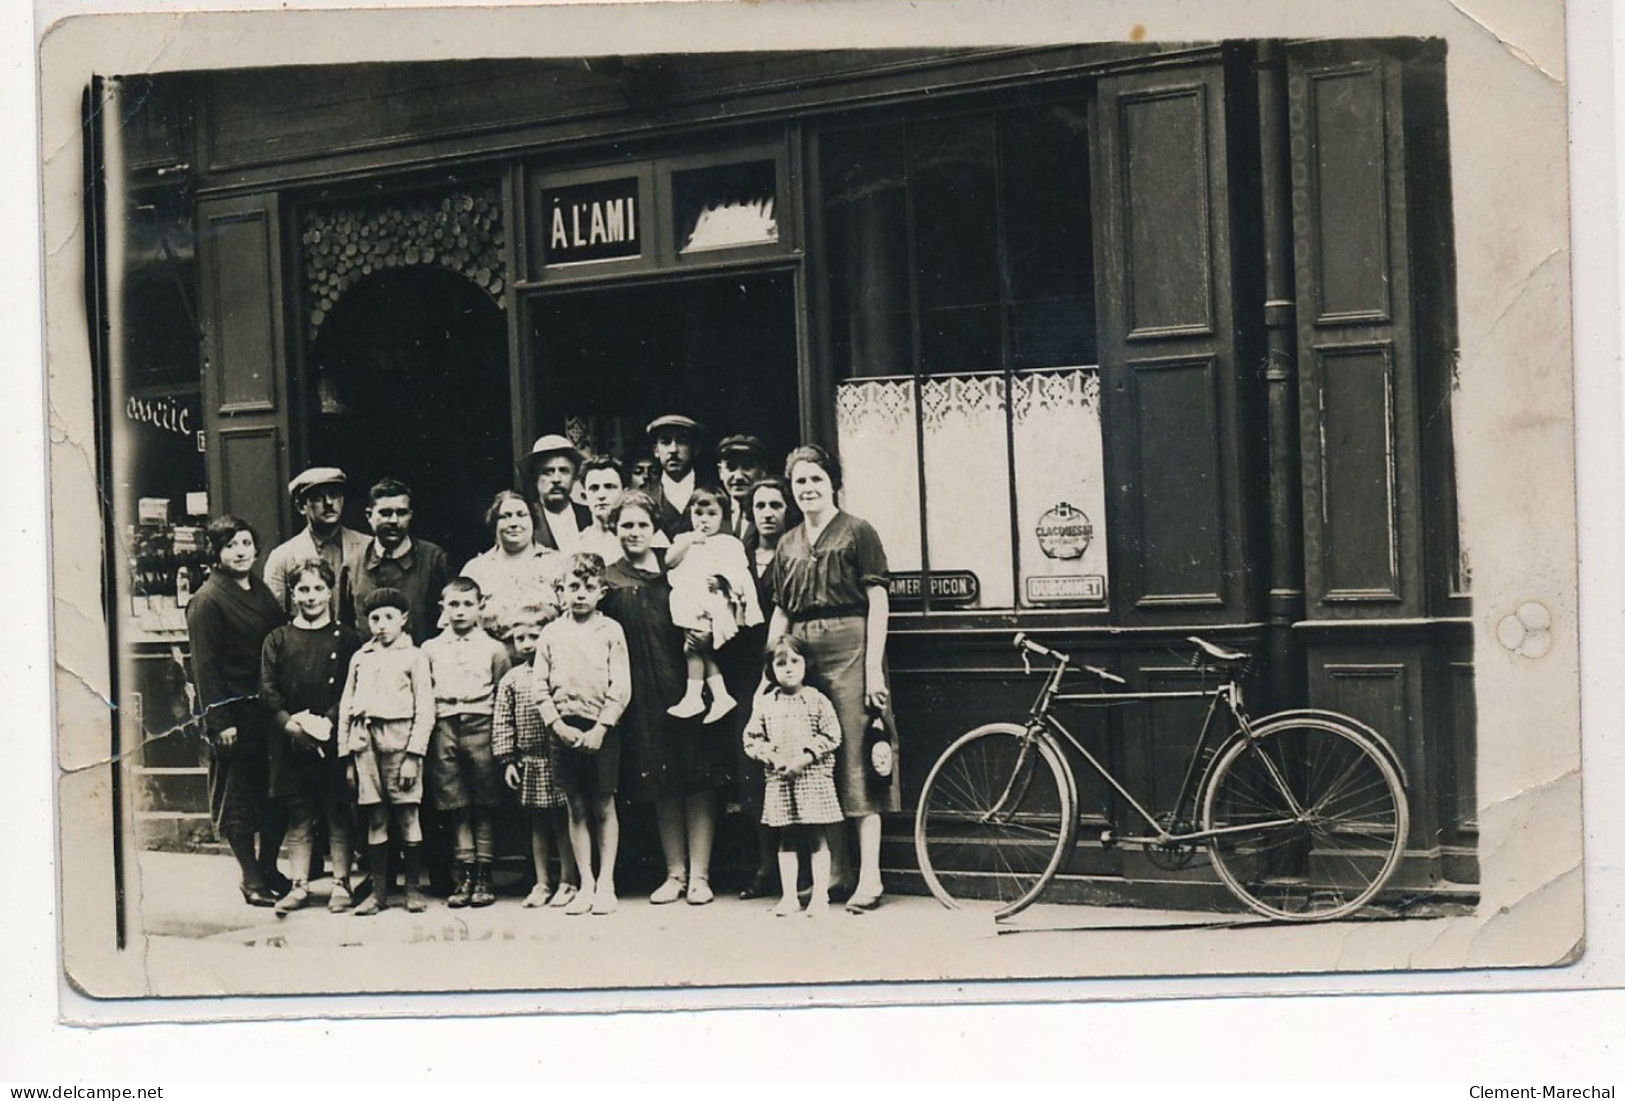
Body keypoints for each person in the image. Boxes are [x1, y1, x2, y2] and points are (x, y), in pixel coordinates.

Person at [766, 445, 901, 913]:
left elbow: (878, 602)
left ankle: (870, 877)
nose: (808, 488)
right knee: (816, 759)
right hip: (801, 652)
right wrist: (771, 667)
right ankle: (836, 874)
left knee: (859, 758)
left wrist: (872, 667)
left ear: (833, 483)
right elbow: (781, 608)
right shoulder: (788, 543)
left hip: (851, 646)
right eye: (799, 482)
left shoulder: (858, 532)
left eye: (816, 480)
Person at [601, 491, 728, 906]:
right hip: (641, 693)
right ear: (613, 529)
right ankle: (675, 872)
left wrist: (709, 631)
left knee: (697, 778)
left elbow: (712, 604)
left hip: (684, 683)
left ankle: (701, 876)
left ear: (654, 527)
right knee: (663, 781)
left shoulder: (677, 565)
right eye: (625, 525)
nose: (633, 532)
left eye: (641, 524)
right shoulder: (609, 578)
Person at [186, 516, 290, 907]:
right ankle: (250, 878)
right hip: (234, 716)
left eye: (246, 542)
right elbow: (205, 668)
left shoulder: (260, 591)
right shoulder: (207, 600)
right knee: (238, 799)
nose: (242, 550)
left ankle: (269, 868)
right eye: (231, 545)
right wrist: (220, 722)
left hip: (266, 710)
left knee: (274, 793)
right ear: (216, 553)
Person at [259, 559, 365, 915]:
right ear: (292, 594)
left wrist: (328, 723)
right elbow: (268, 689)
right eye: (303, 589)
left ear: (330, 591)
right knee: (299, 812)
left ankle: (340, 883)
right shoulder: (278, 639)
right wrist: (289, 724)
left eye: (318, 588)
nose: (311, 596)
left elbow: (354, 687)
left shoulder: (348, 639)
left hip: (333, 738)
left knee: (337, 811)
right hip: (290, 740)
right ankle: (299, 885)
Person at [533, 552, 632, 916]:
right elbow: (539, 687)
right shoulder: (551, 633)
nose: (580, 595)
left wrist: (602, 727)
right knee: (575, 806)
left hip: (601, 729)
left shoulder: (610, 631)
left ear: (601, 591)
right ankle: (585, 883)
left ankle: (606, 883)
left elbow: (621, 685)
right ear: (561, 590)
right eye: (573, 587)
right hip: (563, 729)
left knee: (604, 804)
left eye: (589, 587)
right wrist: (557, 725)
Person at [339, 586, 436, 915]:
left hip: (401, 742)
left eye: (389, 617)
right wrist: (347, 756)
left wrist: (414, 755)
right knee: (375, 817)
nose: (381, 624)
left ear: (404, 619)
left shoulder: (414, 656)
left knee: (408, 814)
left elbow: (426, 708)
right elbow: (346, 707)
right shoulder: (361, 657)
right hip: (365, 744)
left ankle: (412, 889)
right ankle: (379, 893)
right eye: (374, 618)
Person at [421, 577, 513, 908]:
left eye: (467, 604)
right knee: (456, 803)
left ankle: (485, 874)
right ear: (442, 608)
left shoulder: (493, 648)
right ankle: (466, 874)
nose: (460, 612)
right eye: (454, 605)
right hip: (444, 725)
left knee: (484, 802)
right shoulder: (430, 649)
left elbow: (504, 693)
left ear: (480, 607)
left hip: (482, 723)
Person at [731, 476, 800, 901]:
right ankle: (765, 864)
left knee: (790, 763)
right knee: (753, 770)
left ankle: (799, 862)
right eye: (760, 506)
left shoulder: (793, 552)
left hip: (786, 668)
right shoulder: (736, 553)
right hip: (742, 672)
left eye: (776, 504)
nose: (768, 512)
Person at [741, 635, 843, 918]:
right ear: (770, 669)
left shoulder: (816, 700)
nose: (788, 668)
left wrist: (805, 757)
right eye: (780, 663)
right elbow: (751, 739)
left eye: (795, 661)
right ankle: (789, 897)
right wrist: (772, 756)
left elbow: (832, 734)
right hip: (780, 780)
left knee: (816, 836)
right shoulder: (765, 704)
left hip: (812, 778)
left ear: (806, 664)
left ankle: (820, 894)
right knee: (786, 838)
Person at [492, 604, 579, 910]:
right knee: (538, 824)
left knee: (565, 821)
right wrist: (507, 760)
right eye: (520, 638)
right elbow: (503, 720)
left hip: (559, 756)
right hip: (531, 761)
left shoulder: (559, 671)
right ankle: (542, 881)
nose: (527, 644)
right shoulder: (513, 679)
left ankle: (569, 881)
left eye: (534, 636)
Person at [664, 485, 763, 724]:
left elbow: (739, 574)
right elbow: (669, 561)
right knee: (695, 649)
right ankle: (719, 696)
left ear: (723, 517)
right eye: (698, 514)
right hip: (689, 605)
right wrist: (688, 540)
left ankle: (695, 696)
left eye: (711, 514)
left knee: (693, 649)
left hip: (713, 608)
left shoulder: (728, 543)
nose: (704, 520)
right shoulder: (684, 540)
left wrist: (721, 580)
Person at [348, 478, 453, 646]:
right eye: (385, 513)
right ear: (369, 515)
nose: (394, 520)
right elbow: (345, 626)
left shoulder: (434, 559)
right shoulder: (353, 564)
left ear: (410, 514)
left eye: (401, 512)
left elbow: (450, 619)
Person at [460, 490, 566, 649]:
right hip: (493, 661)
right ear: (494, 523)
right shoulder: (476, 569)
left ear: (533, 520)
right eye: (505, 516)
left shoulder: (557, 563)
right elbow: (455, 623)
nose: (514, 523)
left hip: (549, 657)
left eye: (521, 514)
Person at [261, 467, 370, 619]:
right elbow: (273, 616)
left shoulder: (368, 547)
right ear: (301, 506)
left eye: (334, 495)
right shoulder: (282, 557)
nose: (329, 503)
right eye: (318, 497)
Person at [522, 434, 593, 553]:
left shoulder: (589, 516)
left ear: (575, 476)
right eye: (548, 472)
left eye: (564, 471)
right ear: (535, 478)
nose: (556, 479)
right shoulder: (524, 520)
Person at [644, 414, 702, 539]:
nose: (673, 449)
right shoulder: (645, 497)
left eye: (682, 441)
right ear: (656, 450)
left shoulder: (713, 492)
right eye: (665, 442)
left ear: (695, 449)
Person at [715, 435, 771, 541]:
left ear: (763, 471)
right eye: (731, 468)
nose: (739, 476)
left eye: (747, 467)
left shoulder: (770, 514)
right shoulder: (711, 513)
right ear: (721, 472)